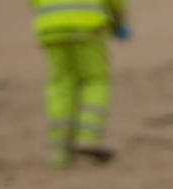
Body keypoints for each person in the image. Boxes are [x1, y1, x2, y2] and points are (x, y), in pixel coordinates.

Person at [29, 0, 130, 168]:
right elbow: (116, 3)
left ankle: (61, 150)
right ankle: (88, 137)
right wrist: (119, 23)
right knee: (95, 81)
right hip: (87, 27)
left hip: (51, 28)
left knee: (61, 86)